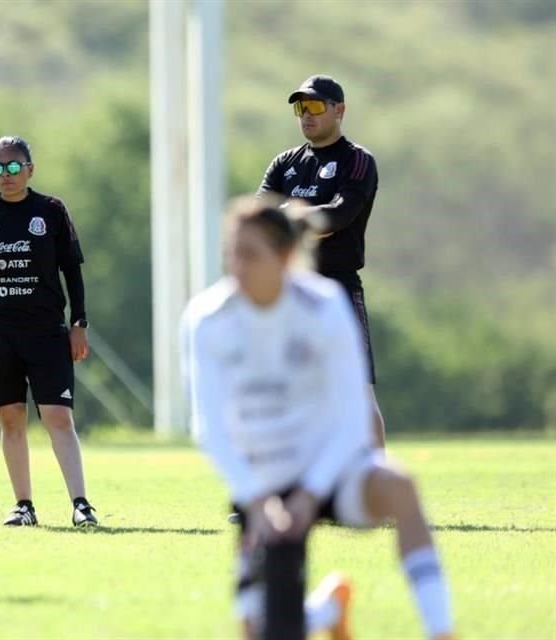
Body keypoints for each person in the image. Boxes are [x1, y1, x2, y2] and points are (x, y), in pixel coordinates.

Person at [181, 196, 455, 640]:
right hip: (264, 485)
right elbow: (209, 429)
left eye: (250, 254)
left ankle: (442, 631)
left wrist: (311, 493)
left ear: (286, 257)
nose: (237, 265)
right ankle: (327, 612)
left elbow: (352, 414)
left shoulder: (325, 305)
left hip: (332, 470)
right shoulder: (206, 320)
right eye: (232, 252)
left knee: (400, 487)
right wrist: (257, 501)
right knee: (266, 632)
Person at [0, 135, 97, 528]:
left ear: (30, 169)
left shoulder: (51, 211)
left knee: (57, 416)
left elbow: (72, 271)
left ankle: (81, 503)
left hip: (47, 331)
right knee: (11, 418)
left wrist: (79, 323)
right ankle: (24, 506)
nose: (6, 175)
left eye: (14, 166)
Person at [256, 74, 385, 448]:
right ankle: (276, 494)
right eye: (300, 107)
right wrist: (302, 218)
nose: (305, 115)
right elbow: (260, 218)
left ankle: (374, 492)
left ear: (339, 109)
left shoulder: (357, 161)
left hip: (338, 286)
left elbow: (341, 215)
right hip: (288, 290)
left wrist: (291, 216)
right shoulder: (286, 162)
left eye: (314, 106)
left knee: (358, 395)